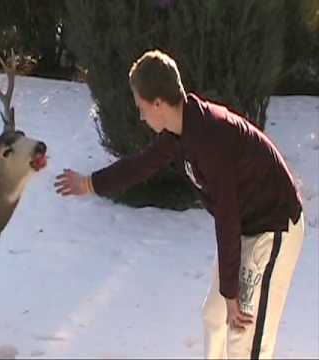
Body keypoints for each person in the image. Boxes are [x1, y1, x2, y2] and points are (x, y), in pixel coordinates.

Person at [54, 49, 304, 359]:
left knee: (243, 334)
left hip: (273, 228)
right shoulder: (181, 130)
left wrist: (231, 292)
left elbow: (227, 215)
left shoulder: (210, 137)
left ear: (158, 103)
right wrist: (89, 183)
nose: (141, 116)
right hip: (245, 227)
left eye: (141, 107)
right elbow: (141, 164)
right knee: (215, 317)